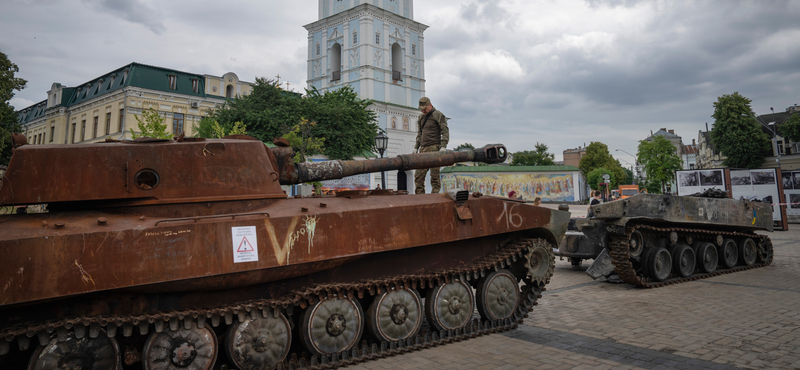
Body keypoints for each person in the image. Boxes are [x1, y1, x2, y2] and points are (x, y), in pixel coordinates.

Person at [414, 97, 449, 194]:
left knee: (434, 176)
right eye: (421, 108)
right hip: (423, 149)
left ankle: (435, 197)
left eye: (424, 108)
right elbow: (419, 134)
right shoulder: (421, 117)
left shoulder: (438, 115)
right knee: (418, 175)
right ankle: (420, 197)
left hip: (435, 147)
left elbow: (445, 131)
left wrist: (443, 146)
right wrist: (416, 147)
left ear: (430, 105)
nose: (423, 110)